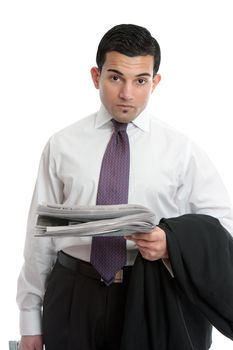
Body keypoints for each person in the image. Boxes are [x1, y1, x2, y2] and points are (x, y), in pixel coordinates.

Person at [17, 24, 233, 350]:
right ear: (96, 76)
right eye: (115, 77)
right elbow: (40, 236)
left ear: (155, 82)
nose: (127, 93)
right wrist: (30, 319)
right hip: (73, 294)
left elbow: (224, 228)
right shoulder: (62, 145)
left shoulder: (182, 150)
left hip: (150, 297)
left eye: (140, 81)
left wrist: (171, 245)